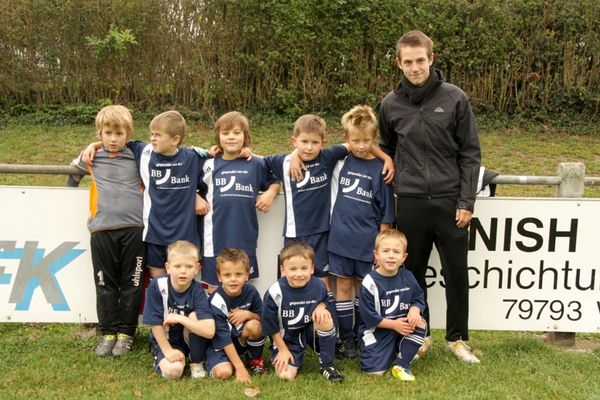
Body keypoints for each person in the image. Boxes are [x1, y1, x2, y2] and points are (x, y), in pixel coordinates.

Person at [378, 30, 482, 363]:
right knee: (413, 276)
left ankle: (458, 340)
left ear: (431, 59)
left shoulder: (454, 98)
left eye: (420, 60)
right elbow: (387, 149)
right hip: (409, 202)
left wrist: (466, 201)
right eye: (407, 62)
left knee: (456, 272)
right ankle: (421, 337)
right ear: (399, 63)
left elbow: (470, 152)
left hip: (450, 201)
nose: (415, 67)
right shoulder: (390, 104)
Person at [263, 114, 394, 308]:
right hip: (294, 234)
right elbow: (259, 165)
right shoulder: (283, 161)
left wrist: (386, 157)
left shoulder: (329, 157)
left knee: (324, 284)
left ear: (323, 143)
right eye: (304, 142)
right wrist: (274, 188)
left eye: (314, 142)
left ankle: (330, 331)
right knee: (292, 281)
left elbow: (358, 142)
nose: (308, 147)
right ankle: (291, 330)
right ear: (294, 141)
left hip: (324, 233)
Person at [83, 110, 210, 278]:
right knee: (158, 285)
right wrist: (93, 145)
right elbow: (117, 140)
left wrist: (197, 195)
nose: (152, 138)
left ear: (175, 140)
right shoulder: (144, 151)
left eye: (158, 135)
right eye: (152, 134)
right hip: (154, 235)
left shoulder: (193, 157)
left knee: (184, 286)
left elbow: (222, 157)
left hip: (184, 235)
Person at [68, 105, 145, 357]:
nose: (113, 139)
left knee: (132, 285)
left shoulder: (138, 155)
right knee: (105, 285)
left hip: (134, 230)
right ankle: (107, 334)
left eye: (119, 133)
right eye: (107, 133)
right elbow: (73, 177)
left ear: (128, 134)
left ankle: (126, 334)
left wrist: (95, 143)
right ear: (100, 133)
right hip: (101, 231)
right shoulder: (91, 157)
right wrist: (91, 147)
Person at [328, 105, 396, 359]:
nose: (361, 145)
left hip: (368, 243)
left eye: (367, 140)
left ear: (374, 138)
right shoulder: (339, 161)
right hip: (340, 240)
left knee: (363, 289)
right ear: (346, 138)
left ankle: (362, 334)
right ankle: (345, 339)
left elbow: (386, 217)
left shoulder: (381, 168)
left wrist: (380, 248)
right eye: (355, 140)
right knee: (343, 287)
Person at [198, 111, 280, 292]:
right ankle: (217, 320)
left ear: (246, 136)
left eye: (236, 133)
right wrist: (196, 197)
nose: (231, 137)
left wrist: (270, 193)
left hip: (244, 237)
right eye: (225, 133)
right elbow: (188, 183)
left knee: (240, 286)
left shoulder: (255, 164)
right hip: (215, 237)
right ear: (218, 138)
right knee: (214, 288)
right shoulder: (208, 164)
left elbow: (275, 181)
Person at [262, 242, 343, 382]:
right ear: (283, 269)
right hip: (286, 340)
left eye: (304, 268)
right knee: (285, 376)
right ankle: (288, 354)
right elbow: (270, 326)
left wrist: (321, 306)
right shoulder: (275, 292)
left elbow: (325, 300)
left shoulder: (318, 285)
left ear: (312, 268)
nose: (298, 274)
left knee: (326, 319)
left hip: (308, 331)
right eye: (292, 269)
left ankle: (327, 364)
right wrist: (282, 349)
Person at [358, 229, 427, 382]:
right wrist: (394, 325)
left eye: (396, 252)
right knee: (374, 373)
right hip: (377, 331)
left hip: (401, 328)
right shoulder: (369, 282)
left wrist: (415, 311)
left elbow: (418, 299)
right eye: (386, 251)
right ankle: (395, 351)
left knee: (420, 322)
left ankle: (401, 364)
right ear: (376, 255)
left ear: (404, 257)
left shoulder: (408, 277)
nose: (390, 255)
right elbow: (369, 318)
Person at [142, 240, 215, 379]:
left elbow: (210, 331)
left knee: (194, 316)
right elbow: (155, 323)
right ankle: (162, 355)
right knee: (173, 372)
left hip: (189, 339)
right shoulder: (157, 285)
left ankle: (196, 360)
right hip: (167, 340)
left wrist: (180, 318)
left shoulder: (198, 291)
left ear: (197, 268)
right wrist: (168, 350)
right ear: (168, 267)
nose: (183, 271)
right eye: (177, 266)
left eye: (188, 266)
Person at [206, 248, 266, 382]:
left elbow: (263, 318)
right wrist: (239, 368)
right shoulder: (216, 300)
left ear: (246, 275)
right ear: (219, 277)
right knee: (224, 373)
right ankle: (214, 362)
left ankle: (254, 360)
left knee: (255, 325)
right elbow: (222, 337)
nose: (233, 279)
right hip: (220, 346)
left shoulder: (251, 291)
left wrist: (249, 314)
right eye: (227, 275)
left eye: (238, 274)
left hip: (238, 340)